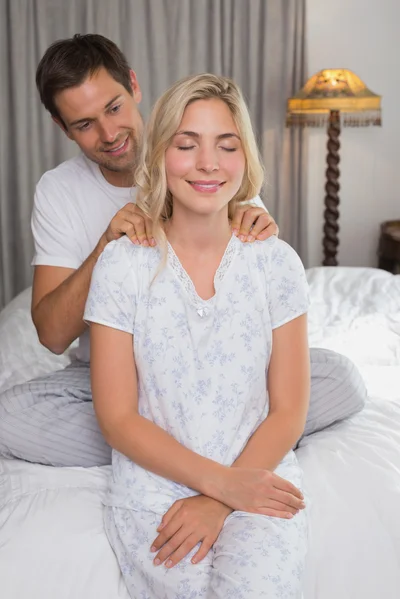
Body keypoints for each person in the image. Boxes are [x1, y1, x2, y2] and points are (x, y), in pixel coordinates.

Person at [0, 34, 366, 468]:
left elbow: (258, 282)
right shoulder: (59, 191)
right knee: (8, 417)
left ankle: (167, 448)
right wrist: (105, 247)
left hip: (224, 368)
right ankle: (202, 447)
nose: (109, 133)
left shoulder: (204, 162)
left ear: (133, 85)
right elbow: (52, 335)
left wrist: (255, 228)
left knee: (340, 379)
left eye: (114, 107)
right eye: (84, 124)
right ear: (63, 128)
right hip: (117, 379)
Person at [84, 72, 309, 599]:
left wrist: (224, 494)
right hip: (153, 488)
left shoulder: (275, 262)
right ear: (160, 154)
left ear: (245, 157)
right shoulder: (123, 266)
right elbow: (116, 417)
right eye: (187, 145)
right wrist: (215, 484)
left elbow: (289, 410)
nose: (208, 162)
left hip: (258, 476)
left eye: (226, 146)